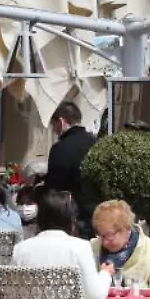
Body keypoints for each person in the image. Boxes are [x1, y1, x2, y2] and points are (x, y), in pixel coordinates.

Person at [90, 200, 150, 289]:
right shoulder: (92, 248)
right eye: (101, 236)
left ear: (127, 227)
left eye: (109, 235)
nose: (104, 242)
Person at [46, 102, 98, 239]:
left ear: (61, 122)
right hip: (98, 214)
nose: (54, 130)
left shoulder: (61, 148)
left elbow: (54, 186)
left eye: (54, 125)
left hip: (73, 217)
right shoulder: (96, 143)